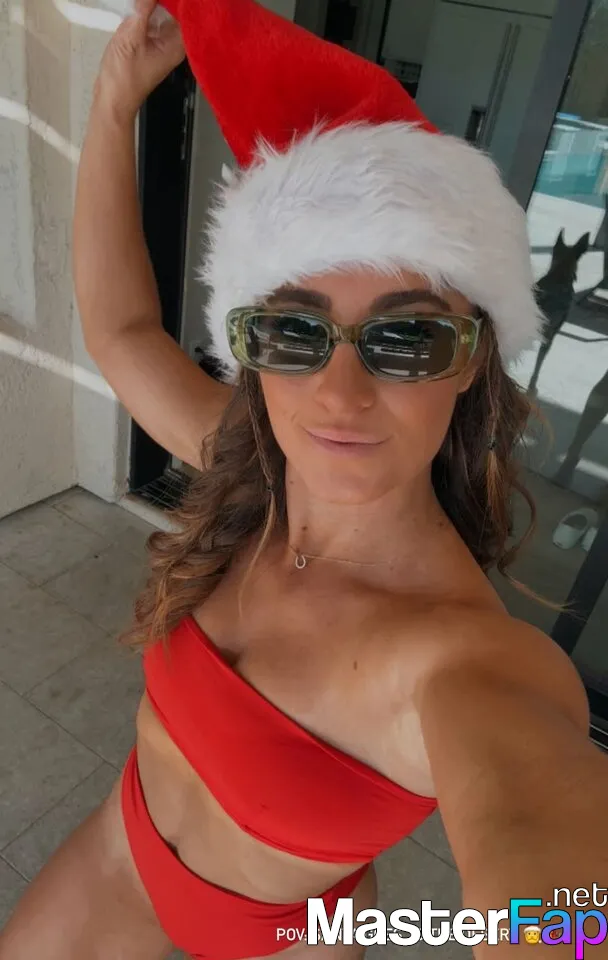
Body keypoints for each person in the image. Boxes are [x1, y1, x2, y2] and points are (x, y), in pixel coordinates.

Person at [2, 1, 608, 958]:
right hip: (123, 858)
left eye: (406, 338)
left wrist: (562, 929)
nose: (340, 393)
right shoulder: (252, 476)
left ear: (470, 363)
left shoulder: (469, 664)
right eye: (294, 330)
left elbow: (562, 895)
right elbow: (122, 331)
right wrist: (113, 101)